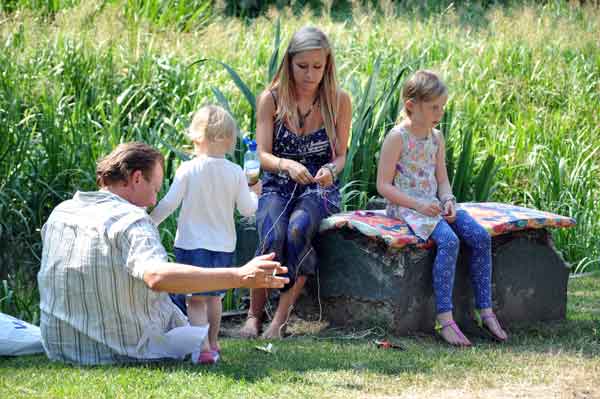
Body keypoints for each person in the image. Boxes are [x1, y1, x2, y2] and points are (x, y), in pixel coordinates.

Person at [37, 142, 287, 365]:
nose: (153, 201)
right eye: (155, 189)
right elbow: (157, 276)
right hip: (118, 350)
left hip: (60, 347)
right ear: (136, 178)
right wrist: (240, 275)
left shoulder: (62, 212)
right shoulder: (132, 220)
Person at [376, 70, 508, 346]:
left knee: (479, 236)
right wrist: (420, 205)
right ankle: (445, 319)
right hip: (407, 206)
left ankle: (485, 310)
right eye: (434, 107)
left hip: (433, 205)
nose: (440, 112)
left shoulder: (437, 138)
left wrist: (448, 200)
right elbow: (384, 186)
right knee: (449, 241)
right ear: (412, 106)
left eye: (442, 106)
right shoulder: (398, 137)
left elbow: (442, 179)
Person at [239, 26, 352, 339]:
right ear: (289, 63)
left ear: (327, 65)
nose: (311, 74)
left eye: (319, 66)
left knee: (297, 230)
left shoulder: (339, 100)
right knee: (272, 234)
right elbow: (261, 154)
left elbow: (341, 156)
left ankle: (280, 321)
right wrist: (286, 165)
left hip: (318, 186)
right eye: (303, 66)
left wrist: (331, 168)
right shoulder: (271, 99)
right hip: (278, 181)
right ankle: (253, 316)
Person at [150, 105, 261, 364]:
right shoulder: (235, 172)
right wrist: (256, 194)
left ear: (195, 136)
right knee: (215, 298)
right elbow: (247, 210)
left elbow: (168, 203)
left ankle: (201, 350)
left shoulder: (187, 169)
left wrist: (148, 222)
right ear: (231, 140)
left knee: (195, 300)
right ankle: (214, 343)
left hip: (191, 245)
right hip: (223, 247)